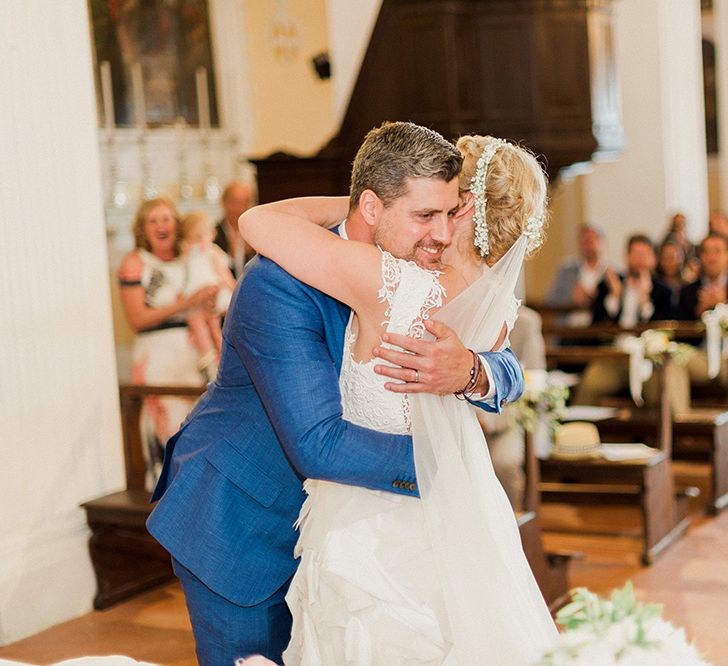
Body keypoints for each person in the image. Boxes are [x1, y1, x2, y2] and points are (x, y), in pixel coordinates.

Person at [147, 122, 526, 665]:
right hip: (246, 528)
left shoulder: (414, 271)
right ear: (372, 208)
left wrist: (469, 371)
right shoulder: (277, 285)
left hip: (345, 529)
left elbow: (507, 365)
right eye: (425, 216)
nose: (442, 235)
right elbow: (317, 443)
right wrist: (448, 470)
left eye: (450, 213)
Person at [239, 131, 557, 664]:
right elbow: (505, 369)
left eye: (444, 199)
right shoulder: (498, 307)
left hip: (368, 526)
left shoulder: (395, 283)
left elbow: (256, 221)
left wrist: (371, 202)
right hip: (455, 513)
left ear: (464, 207)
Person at [117, 198, 218, 489]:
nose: (161, 226)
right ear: (142, 229)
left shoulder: (190, 258)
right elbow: (137, 318)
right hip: (157, 351)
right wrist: (185, 304)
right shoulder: (136, 263)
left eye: (166, 219)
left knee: (196, 417)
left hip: (193, 349)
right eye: (153, 220)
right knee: (166, 419)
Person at [180, 210, 236, 379]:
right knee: (198, 322)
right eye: (193, 238)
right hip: (196, 293)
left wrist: (234, 291)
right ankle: (207, 354)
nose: (197, 242)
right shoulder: (190, 255)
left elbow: (224, 274)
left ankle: (222, 357)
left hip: (213, 290)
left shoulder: (213, 252)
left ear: (211, 235)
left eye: (200, 237)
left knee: (213, 324)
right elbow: (185, 269)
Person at [678, 233, 728, 387]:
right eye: (706, 252)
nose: (711, 257)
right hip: (702, 356)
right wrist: (699, 311)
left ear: (726, 256)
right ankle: (677, 412)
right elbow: (681, 337)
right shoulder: (688, 291)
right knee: (672, 365)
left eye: (717, 251)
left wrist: (723, 303)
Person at [592, 234, 674, 325]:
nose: (639, 259)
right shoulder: (607, 285)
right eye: (635, 253)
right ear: (627, 256)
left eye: (644, 254)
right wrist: (615, 296)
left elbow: (661, 327)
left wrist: (645, 300)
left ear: (653, 258)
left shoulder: (664, 291)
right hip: (614, 338)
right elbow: (599, 323)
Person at [544, 224, 609, 317]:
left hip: (601, 327)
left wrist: (595, 298)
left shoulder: (614, 272)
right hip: (570, 326)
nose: (588, 245)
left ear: (602, 242)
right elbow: (550, 301)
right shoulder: (566, 271)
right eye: (584, 241)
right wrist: (572, 298)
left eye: (591, 241)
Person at [215, 180, 255, 278]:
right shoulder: (213, 234)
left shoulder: (255, 235)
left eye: (245, 203)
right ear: (223, 202)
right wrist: (230, 256)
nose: (240, 209)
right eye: (235, 202)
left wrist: (251, 254)